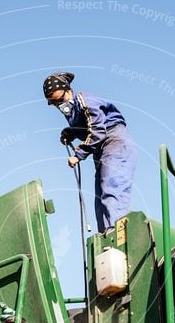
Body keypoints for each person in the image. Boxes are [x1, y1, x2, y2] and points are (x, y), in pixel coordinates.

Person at [43, 72, 137, 233]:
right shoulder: (73, 112)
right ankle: (105, 237)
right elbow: (86, 126)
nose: (60, 105)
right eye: (55, 104)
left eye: (61, 100)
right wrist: (71, 132)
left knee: (111, 187)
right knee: (100, 197)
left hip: (114, 140)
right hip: (101, 149)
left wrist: (78, 155)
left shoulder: (85, 100)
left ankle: (117, 234)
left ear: (69, 90)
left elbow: (98, 130)